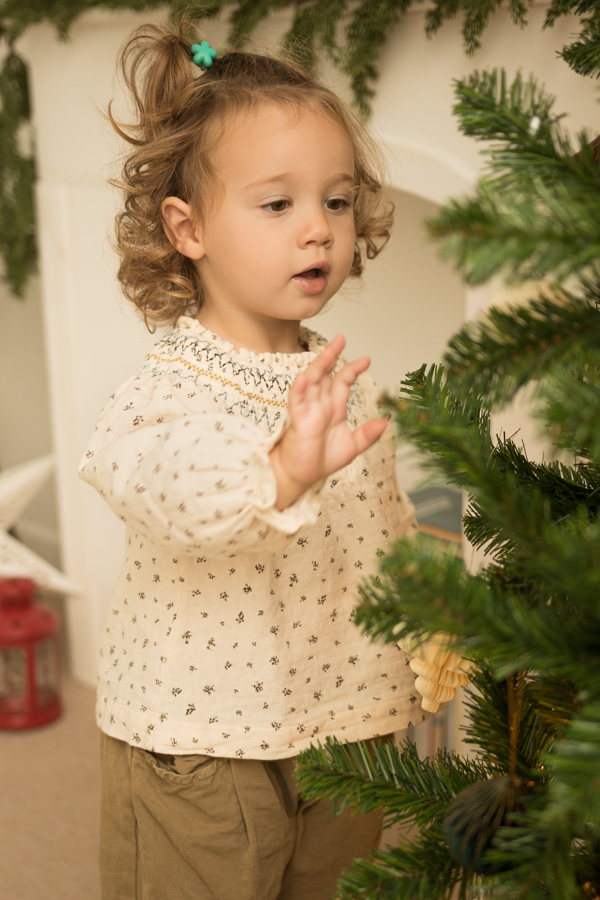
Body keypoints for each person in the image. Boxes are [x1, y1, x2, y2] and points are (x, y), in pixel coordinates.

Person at [78, 14, 468, 900]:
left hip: (345, 721)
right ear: (188, 229)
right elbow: (159, 484)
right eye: (278, 204)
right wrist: (280, 472)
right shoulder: (169, 386)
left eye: (336, 200)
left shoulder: (340, 381)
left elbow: (377, 527)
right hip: (203, 739)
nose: (318, 230)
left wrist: (433, 605)